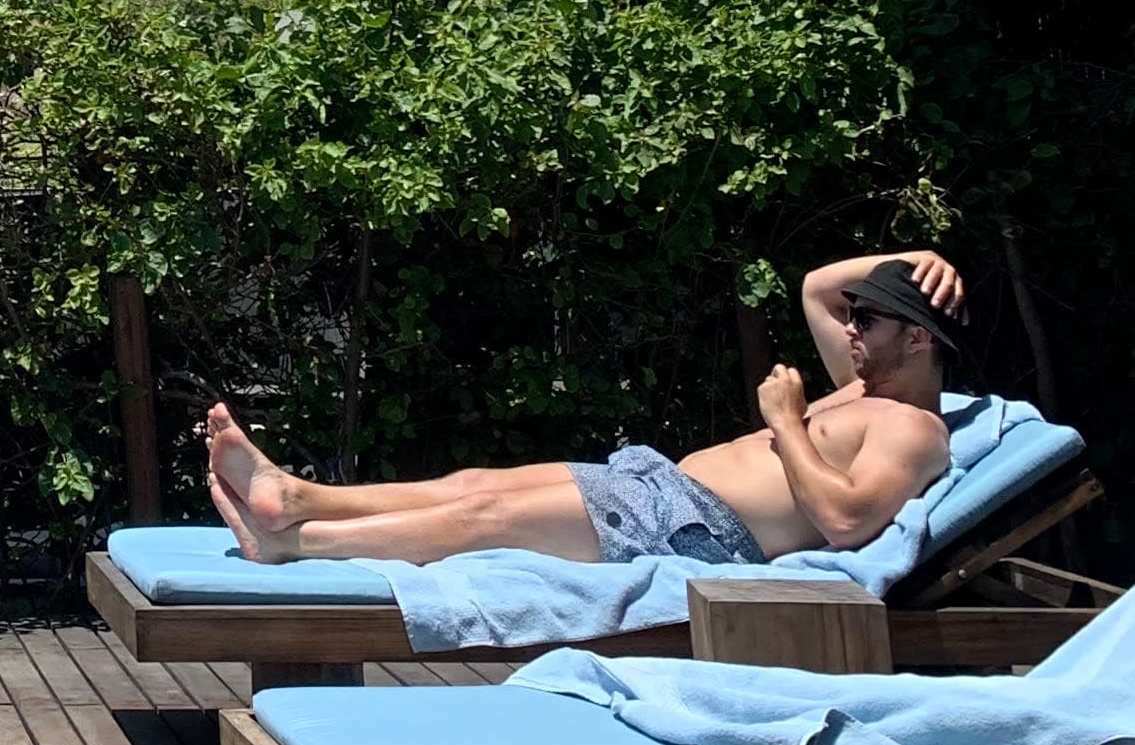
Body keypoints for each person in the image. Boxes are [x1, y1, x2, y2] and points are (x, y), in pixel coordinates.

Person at [204, 249, 966, 569]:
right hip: (658, 487)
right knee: (476, 484)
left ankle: (294, 546)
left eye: (870, 322)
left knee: (484, 522)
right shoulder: (863, 390)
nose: (851, 329)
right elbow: (815, 287)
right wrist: (924, 262)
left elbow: (847, 520)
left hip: (695, 528)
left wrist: (785, 425)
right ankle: (299, 498)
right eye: (857, 319)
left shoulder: (914, 429)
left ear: (918, 341)